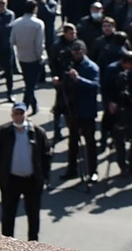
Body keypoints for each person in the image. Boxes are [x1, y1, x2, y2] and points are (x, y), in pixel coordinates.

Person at [0, 102, 51, 242]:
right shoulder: (4, 133)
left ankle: (33, 244)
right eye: (16, 113)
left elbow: (46, 156)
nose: (19, 116)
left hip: (32, 180)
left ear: (27, 114)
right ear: (12, 115)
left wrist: (43, 177)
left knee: (33, 215)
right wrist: (2, 176)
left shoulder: (38, 133)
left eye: (21, 113)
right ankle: (7, 244)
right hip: (11, 180)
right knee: (8, 214)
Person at [54, 39, 101, 184]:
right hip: (72, 109)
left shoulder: (91, 67)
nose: (76, 54)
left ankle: (93, 171)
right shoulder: (69, 65)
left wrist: (78, 79)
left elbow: (95, 85)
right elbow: (65, 85)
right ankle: (71, 169)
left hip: (86, 110)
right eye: (74, 52)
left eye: (79, 51)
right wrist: (59, 83)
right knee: (73, 141)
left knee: (90, 142)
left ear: (84, 51)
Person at [11, 0, 48, 115]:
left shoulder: (16, 22)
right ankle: (24, 107)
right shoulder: (38, 23)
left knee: (29, 83)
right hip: (33, 57)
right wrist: (41, 57)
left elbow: (12, 40)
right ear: (35, 9)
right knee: (30, 85)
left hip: (22, 56)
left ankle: (34, 105)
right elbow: (39, 44)